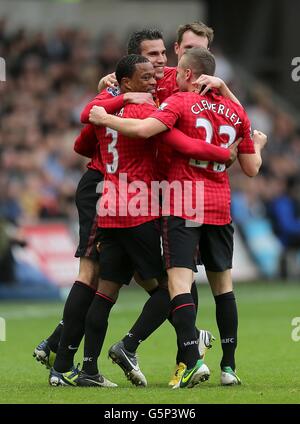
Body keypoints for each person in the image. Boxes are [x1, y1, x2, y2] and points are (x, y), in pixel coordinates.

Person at [33, 27, 219, 379]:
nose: (159, 67)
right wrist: (220, 153)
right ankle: (167, 345)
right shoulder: (149, 107)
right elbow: (174, 140)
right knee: (167, 284)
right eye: (150, 62)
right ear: (130, 75)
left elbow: (84, 134)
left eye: (163, 57)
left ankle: (76, 364)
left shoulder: (115, 102)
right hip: (132, 202)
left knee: (108, 284)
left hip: (117, 205)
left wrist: (109, 109)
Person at [89, 47, 267, 387]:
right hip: (219, 204)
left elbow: (144, 131)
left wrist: (104, 116)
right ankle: (228, 367)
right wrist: (257, 144)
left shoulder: (179, 103)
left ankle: (191, 359)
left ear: (187, 74)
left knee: (179, 284)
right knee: (223, 288)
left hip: (184, 201)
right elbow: (251, 168)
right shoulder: (236, 111)